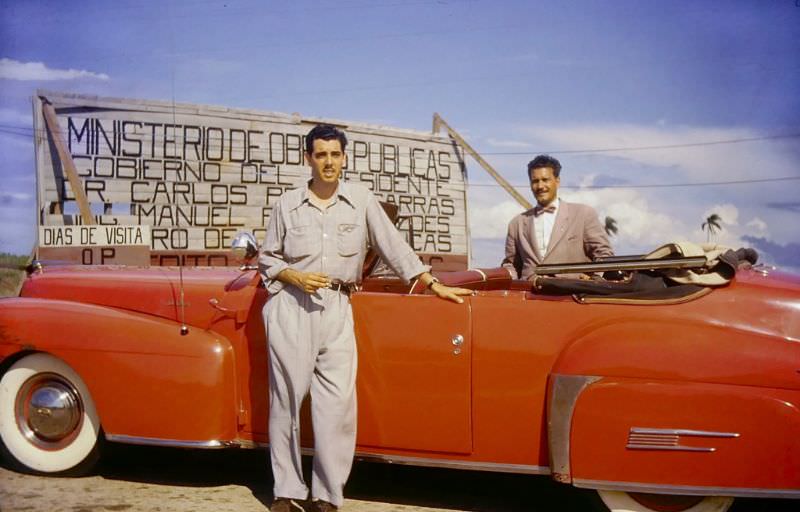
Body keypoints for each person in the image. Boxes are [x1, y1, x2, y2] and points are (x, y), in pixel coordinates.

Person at [258, 124, 472, 512]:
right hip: (292, 305)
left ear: (344, 158)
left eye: (335, 155)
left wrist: (431, 283)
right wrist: (295, 275)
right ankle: (287, 491)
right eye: (320, 155)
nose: (328, 162)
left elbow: (393, 245)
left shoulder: (360, 199)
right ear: (309, 158)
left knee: (337, 404)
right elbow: (267, 258)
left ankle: (327, 496)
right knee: (286, 401)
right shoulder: (287, 204)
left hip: (339, 306)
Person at [502, 154, 613, 280]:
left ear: (557, 181)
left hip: (570, 296)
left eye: (545, 180)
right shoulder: (517, 224)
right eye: (535, 181)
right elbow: (510, 265)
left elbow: (604, 255)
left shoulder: (583, 214)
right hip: (529, 295)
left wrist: (594, 282)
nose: (540, 186)